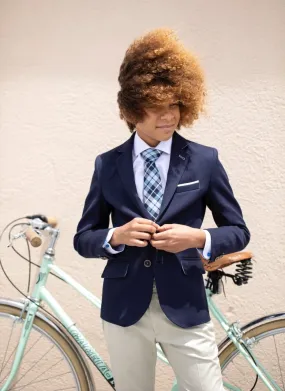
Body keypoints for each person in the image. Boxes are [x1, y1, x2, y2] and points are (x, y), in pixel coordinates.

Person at [74, 28, 250, 391]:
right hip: (125, 309)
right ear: (132, 109)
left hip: (184, 303)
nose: (168, 116)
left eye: (174, 105)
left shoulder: (204, 161)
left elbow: (238, 230)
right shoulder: (107, 165)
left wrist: (198, 237)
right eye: (157, 107)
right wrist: (115, 236)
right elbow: (83, 238)